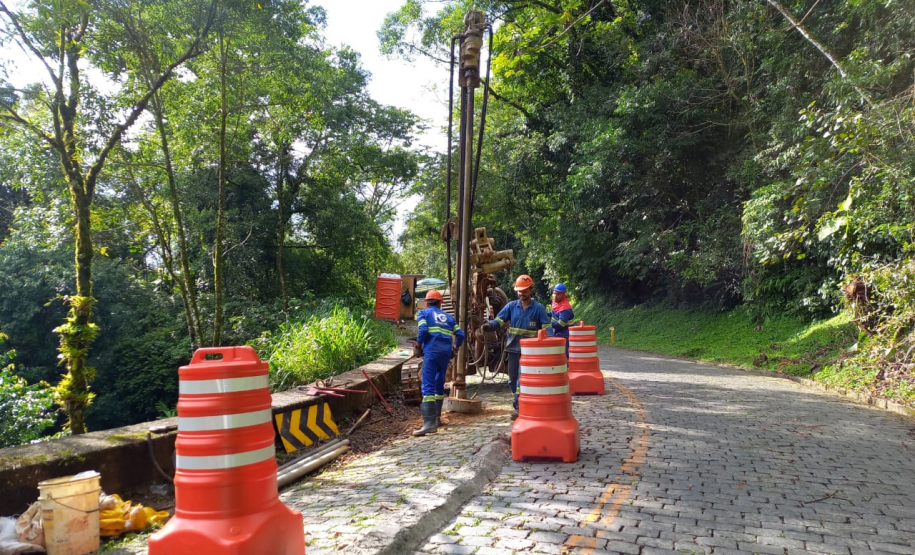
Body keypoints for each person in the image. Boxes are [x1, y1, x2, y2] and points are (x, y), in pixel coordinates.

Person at [481, 274, 550, 419]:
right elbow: (499, 321)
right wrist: (488, 326)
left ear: (531, 290)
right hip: (513, 349)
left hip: (531, 352)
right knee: (512, 380)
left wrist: (548, 346)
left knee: (521, 378)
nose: (521, 293)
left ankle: (519, 406)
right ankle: (518, 400)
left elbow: (547, 329)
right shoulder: (512, 306)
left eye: (524, 290)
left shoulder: (538, 308)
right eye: (519, 290)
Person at [413, 289, 465, 436]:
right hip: (445, 354)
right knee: (439, 382)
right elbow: (460, 334)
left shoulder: (423, 314)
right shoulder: (449, 317)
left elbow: (423, 329)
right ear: (440, 303)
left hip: (432, 352)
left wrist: (418, 345)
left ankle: (429, 424)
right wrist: (456, 347)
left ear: (427, 302)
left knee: (427, 384)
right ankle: (436, 418)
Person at [548, 283, 574, 358]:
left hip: (565, 335)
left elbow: (560, 324)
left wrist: (548, 324)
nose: (555, 296)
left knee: (564, 355)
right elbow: (554, 313)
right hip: (557, 333)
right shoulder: (556, 303)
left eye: (558, 294)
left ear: (563, 295)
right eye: (554, 294)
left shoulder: (565, 308)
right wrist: (545, 314)